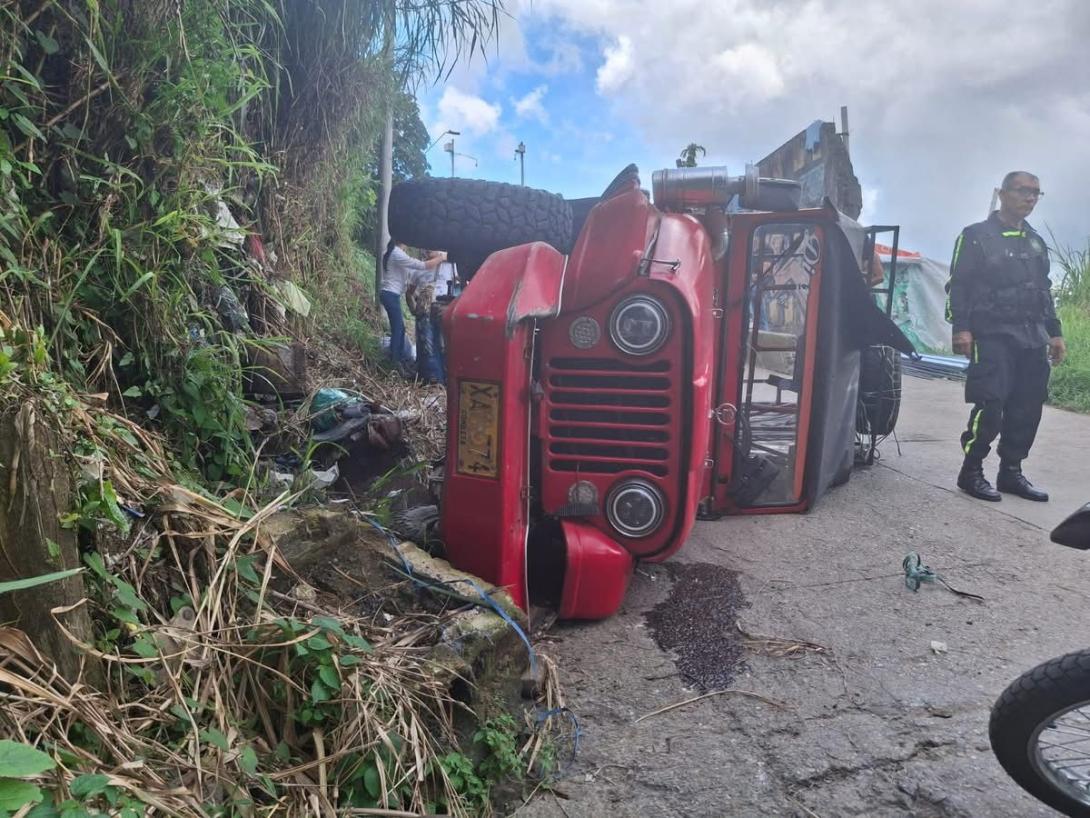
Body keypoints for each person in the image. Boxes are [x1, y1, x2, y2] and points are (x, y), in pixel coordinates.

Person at [946, 171, 1066, 502]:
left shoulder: (1035, 240)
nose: (1029, 198)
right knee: (991, 402)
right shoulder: (975, 236)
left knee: (1027, 406)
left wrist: (1055, 334)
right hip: (992, 333)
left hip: (1032, 334)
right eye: (1023, 191)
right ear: (1002, 194)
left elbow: (1045, 290)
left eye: (1036, 193)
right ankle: (971, 471)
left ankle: (1010, 472)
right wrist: (962, 328)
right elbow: (959, 285)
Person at [380, 240, 443, 376]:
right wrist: (442, 257)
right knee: (398, 330)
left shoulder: (394, 252)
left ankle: (399, 361)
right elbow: (422, 265)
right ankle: (395, 363)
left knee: (400, 329)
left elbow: (411, 282)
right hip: (391, 294)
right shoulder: (397, 253)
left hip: (390, 295)